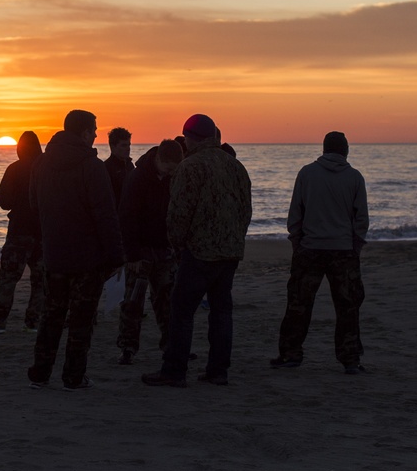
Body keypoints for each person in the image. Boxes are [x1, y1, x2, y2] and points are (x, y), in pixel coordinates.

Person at [142, 114, 252, 388]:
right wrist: (235, 240)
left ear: (190, 138)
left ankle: (175, 370)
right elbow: (245, 210)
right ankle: (218, 371)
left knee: (181, 311)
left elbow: (179, 212)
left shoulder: (189, 167)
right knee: (221, 311)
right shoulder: (235, 166)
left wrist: (177, 244)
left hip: (199, 252)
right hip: (229, 252)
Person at [27, 110, 124, 390]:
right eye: (93, 130)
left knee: (51, 316)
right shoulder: (91, 167)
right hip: (87, 259)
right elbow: (105, 215)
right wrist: (116, 256)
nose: (95, 135)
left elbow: (34, 204)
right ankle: (73, 376)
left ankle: (41, 373)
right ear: (84, 133)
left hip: (55, 253)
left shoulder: (41, 164)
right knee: (81, 320)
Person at [270, 131, 369, 374]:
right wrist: (355, 246)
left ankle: (291, 353)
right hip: (343, 250)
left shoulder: (307, 173)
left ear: (324, 149)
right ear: (345, 150)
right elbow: (361, 219)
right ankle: (350, 360)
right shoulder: (354, 177)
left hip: (310, 249)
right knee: (347, 307)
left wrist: (297, 242)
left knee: (299, 304)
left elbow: (295, 214)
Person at [115, 139, 184, 365]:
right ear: (159, 159)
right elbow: (127, 219)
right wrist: (132, 255)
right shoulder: (136, 178)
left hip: (165, 250)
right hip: (141, 251)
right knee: (133, 302)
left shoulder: (173, 178)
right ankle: (128, 347)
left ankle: (171, 345)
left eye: (175, 169)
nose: (172, 172)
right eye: (169, 168)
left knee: (167, 301)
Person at [0, 131, 45, 333]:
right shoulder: (46, 169)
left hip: (19, 231)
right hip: (43, 232)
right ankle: (34, 321)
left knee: (8, 279)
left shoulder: (14, 169)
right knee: (41, 280)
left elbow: (4, 201)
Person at [103, 127, 134, 208]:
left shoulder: (130, 165)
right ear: (113, 147)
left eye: (129, 145)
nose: (128, 149)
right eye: (123, 145)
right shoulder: (106, 168)